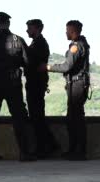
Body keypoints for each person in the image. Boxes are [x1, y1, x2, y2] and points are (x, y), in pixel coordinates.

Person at [0, 12, 36, 161]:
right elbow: (27, 61)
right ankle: (24, 153)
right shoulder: (19, 40)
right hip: (14, 84)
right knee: (19, 118)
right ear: (8, 23)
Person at [42, 20, 90, 160]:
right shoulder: (80, 44)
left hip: (77, 86)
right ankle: (74, 150)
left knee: (76, 120)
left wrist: (48, 67)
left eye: (67, 30)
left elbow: (66, 66)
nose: (66, 33)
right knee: (73, 119)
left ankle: (79, 152)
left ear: (73, 31)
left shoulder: (76, 46)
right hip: (77, 85)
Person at [24, 19, 59, 159]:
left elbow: (31, 61)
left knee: (37, 116)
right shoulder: (37, 43)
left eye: (29, 28)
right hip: (35, 83)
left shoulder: (39, 44)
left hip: (36, 84)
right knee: (36, 116)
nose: (27, 31)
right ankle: (48, 145)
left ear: (37, 29)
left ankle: (45, 147)